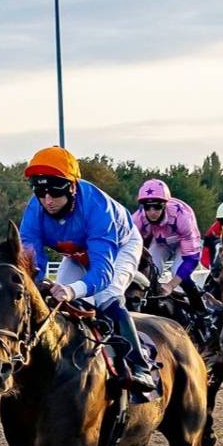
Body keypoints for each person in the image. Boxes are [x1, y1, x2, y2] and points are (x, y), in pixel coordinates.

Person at [17, 146, 156, 392]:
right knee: (53, 302)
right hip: (77, 252)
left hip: (120, 247)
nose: (47, 200)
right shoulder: (34, 210)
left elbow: (102, 272)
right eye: (41, 192)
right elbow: (31, 261)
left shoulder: (97, 208)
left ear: (72, 186)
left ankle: (139, 367)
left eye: (55, 192)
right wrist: (40, 281)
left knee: (105, 296)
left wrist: (71, 290)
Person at [131, 178, 206, 313]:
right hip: (161, 243)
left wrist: (171, 285)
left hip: (182, 244)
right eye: (148, 207)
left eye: (157, 207)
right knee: (148, 272)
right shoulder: (137, 219)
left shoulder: (183, 217)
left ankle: (201, 312)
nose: (152, 211)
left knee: (179, 273)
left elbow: (192, 259)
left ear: (165, 205)